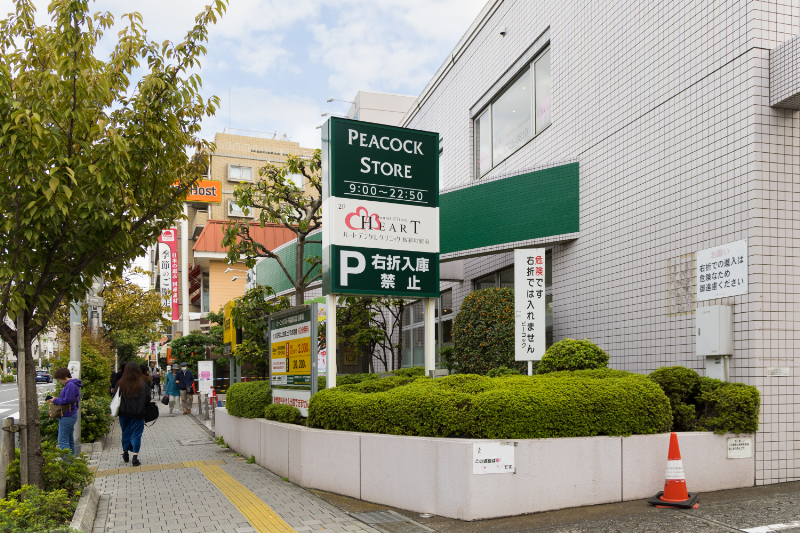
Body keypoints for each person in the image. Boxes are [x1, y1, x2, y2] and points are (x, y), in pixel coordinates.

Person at [115, 362, 150, 466]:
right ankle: (135, 457)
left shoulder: (120, 384)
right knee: (136, 435)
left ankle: (125, 453)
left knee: (125, 432)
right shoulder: (142, 385)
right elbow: (148, 399)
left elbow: (115, 398)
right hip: (138, 414)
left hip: (124, 414)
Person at [48, 368, 82, 456]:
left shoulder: (70, 385)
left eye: (59, 379)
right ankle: (71, 462)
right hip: (70, 414)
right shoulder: (73, 384)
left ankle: (67, 464)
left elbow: (67, 400)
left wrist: (54, 400)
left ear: (64, 377)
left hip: (67, 415)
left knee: (62, 440)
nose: (60, 381)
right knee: (69, 439)